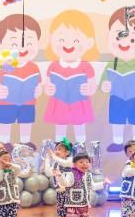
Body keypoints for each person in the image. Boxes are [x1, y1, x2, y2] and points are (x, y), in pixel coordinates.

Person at [101, 7, 135, 151]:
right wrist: (105, 85)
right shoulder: (112, 63)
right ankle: (117, 142)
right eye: (119, 36)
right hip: (117, 97)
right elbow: (103, 81)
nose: (125, 42)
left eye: (132, 39)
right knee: (117, 121)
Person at [42, 9, 99, 143]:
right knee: (60, 126)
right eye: (61, 39)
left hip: (79, 103)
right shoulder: (53, 66)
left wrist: (89, 89)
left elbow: (92, 85)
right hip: (59, 102)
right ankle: (59, 147)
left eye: (76, 40)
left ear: (89, 43)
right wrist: (48, 88)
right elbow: (47, 83)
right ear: (51, 40)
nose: (68, 44)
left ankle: (81, 147)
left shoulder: (86, 66)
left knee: (79, 127)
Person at [0, 14, 43, 149]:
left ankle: (25, 141)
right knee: (5, 122)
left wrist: (38, 91)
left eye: (29, 43)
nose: (22, 48)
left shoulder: (33, 67)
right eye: (14, 44)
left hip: (27, 102)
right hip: (6, 102)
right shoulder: (2, 66)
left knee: (26, 122)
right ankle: (4, 142)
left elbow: (39, 84)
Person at [56, 153, 104, 217]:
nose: (84, 164)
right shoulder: (71, 174)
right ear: (74, 164)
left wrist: (103, 183)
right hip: (72, 205)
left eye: (87, 162)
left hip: (84, 205)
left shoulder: (88, 175)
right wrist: (60, 176)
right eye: (81, 162)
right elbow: (65, 183)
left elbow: (92, 186)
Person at [44, 138, 73, 217]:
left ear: (67, 152)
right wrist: (47, 159)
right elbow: (48, 173)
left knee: (72, 212)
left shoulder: (70, 160)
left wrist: (53, 156)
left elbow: (64, 163)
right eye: (56, 149)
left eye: (59, 149)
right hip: (60, 191)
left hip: (71, 191)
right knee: (61, 211)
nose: (56, 151)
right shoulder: (55, 163)